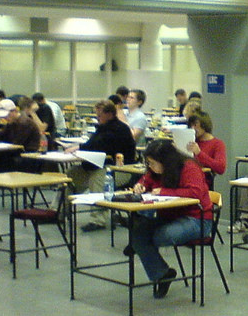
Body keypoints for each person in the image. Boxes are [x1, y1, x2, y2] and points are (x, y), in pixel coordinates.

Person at [125, 139, 212, 299]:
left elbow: (196, 193)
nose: (150, 166)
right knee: (137, 235)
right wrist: (140, 185)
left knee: (161, 235)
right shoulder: (156, 171)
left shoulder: (189, 167)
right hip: (171, 216)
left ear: (165, 160)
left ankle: (142, 249)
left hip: (197, 219)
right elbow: (146, 180)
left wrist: (165, 192)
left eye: (152, 162)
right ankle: (163, 274)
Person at [66, 99, 136, 232]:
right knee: (70, 175)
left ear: (109, 114)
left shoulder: (119, 129)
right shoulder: (103, 128)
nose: (97, 118)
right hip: (98, 166)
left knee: (98, 179)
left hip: (121, 169)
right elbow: (93, 145)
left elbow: (100, 147)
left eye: (99, 115)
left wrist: (79, 148)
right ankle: (57, 211)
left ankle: (98, 220)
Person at [0, 98, 41, 168]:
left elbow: (16, 144)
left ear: (15, 111)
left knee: (0, 159)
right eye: (3, 116)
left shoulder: (25, 123)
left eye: (7, 115)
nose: (5, 118)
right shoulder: (11, 123)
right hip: (16, 155)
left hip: (27, 156)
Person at [186, 110, 226, 179]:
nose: (193, 128)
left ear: (204, 124)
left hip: (203, 181)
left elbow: (221, 168)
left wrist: (199, 153)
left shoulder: (217, 144)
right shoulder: (191, 141)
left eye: (195, 125)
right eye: (191, 125)